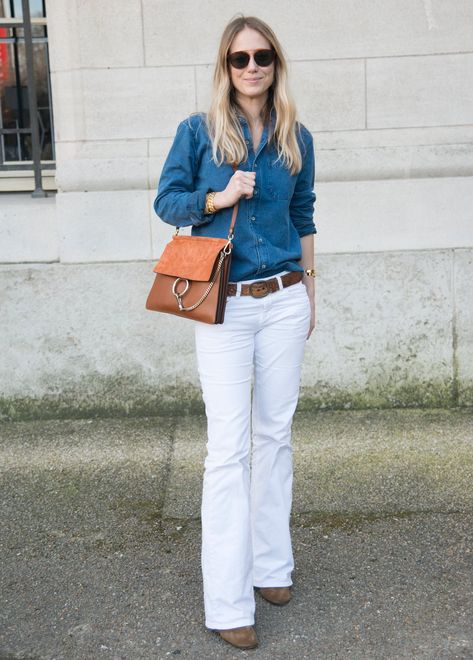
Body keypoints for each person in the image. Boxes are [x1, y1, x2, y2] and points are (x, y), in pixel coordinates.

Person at [153, 14, 317, 651]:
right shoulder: (197, 133)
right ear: (224, 67)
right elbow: (169, 202)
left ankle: (270, 566)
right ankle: (226, 600)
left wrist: (310, 291)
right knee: (228, 447)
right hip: (222, 302)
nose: (252, 68)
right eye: (240, 58)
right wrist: (218, 199)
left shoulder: (293, 136)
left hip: (282, 298)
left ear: (277, 63)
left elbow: (303, 214)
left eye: (263, 56)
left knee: (275, 435)